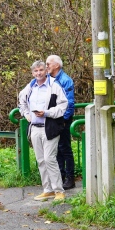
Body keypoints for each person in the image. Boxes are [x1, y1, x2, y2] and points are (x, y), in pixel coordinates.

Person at [18, 60, 68, 202]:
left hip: (50, 127)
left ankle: (59, 191)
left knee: (49, 159)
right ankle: (48, 190)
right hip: (35, 127)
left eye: (41, 70)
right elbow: (21, 101)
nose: (38, 73)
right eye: (36, 71)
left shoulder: (54, 85)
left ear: (46, 70)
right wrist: (27, 115)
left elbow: (63, 105)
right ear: (32, 73)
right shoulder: (31, 86)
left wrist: (46, 113)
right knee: (40, 160)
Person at [46, 54, 76, 189]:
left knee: (65, 148)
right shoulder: (48, 80)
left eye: (48, 64)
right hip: (52, 118)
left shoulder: (65, 80)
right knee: (56, 149)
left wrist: (64, 120)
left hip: (62, 119)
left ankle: (70, 178)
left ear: (57, 65)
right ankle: (60, 177)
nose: (46, 66)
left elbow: (69, 103)